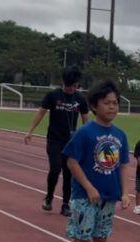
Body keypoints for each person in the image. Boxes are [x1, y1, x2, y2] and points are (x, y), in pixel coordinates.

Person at [63, 79, 132, 242]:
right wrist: (88, 187)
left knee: (102, 237)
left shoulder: (121, 135)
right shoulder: (85, 132)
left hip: (109, 195)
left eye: (115, 103)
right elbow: (72, 162)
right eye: (107, 103)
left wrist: (126, 192)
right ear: (94, 106)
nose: (112, 107)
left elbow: (123, 165)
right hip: (85, 196)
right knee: (82, 237)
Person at [25, 66, 90, 217]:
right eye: (69, 86)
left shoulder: (80, 98)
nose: (72, 89)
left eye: (75, 86)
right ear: (62, 82)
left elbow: (86, 120)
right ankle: (49, 197)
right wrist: (30, 131)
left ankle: (65, 204)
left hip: (71, 142)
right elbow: (40, 113)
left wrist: (88, 139)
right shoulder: (53, 95)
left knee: (69, 173)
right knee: (55, 168)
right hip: (54, 139)